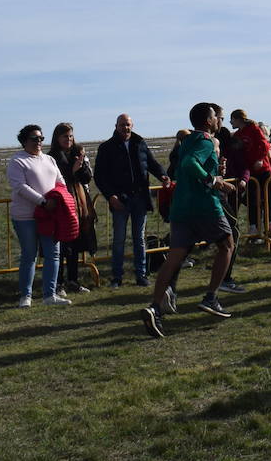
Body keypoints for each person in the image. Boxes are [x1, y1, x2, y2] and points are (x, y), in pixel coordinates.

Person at [141, 103, 238, 338]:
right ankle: (211, 297)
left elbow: (186, 165)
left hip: (181, 208)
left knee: (174, 258)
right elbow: (189, 165)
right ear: (208, 120)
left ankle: (154, 307)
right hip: (204, 206)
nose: (219, 120)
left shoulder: (187, 141)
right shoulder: (205, 141)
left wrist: (214, 171)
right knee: (227, 245)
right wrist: (215, 182)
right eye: (216, 117)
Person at [95, 113, 167, 288]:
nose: (125, 128)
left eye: (127, 124)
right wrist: (110, 196)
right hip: (120, 200)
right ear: (116, 126)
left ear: (132, 125)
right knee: (119, 239)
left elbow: (151, 163)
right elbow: (100, 176)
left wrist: (163, 175)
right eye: (121, 125)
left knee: (139, 239)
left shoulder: (139, 143)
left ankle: (141, 275)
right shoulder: (107, 147)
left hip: (140, 198)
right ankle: (117, 277)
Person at [7, 125, 71, 308]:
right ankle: (25, 296)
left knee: (53, 254)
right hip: (25, 216)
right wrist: (43, 202)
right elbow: (20, 187)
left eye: (41, 138)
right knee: (29, 255)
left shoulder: (49, 159)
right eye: (35, 138)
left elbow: (60, 181)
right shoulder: (17, 161)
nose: (39, 142)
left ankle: (49, 295)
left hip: (50, 215)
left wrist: (58, 197)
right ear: (24, 140)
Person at [48, 123, 95, 295]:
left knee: (75, 242)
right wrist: (72, 170)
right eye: (64, 136)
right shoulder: (52, 157)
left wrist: (80, 168)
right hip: (62, 204)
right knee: (61, 245)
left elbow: (87, 177)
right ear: (57, 138)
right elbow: (56, 180)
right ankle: (58, 283)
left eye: (70, 136)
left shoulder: (78, 152)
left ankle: (73, 280)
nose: (68, 140)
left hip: (78, 202)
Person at [231, 109, 271, 237]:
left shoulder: (254, 128)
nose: (230, 122)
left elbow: (265, 145)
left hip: (264, 170)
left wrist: (260, 159)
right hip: (250, 172)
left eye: (232, 119)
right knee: (253, 200)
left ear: (238, 119)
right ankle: (253, 227)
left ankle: (270, 224)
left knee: (268, 197)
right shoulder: (236, 135)